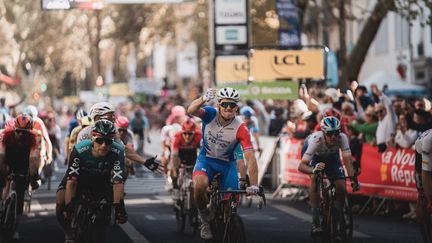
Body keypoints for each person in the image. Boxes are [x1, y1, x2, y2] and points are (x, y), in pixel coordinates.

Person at [187, 87, 260, 240]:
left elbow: (250, 157)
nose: (228, 108)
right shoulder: (210, 114)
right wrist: (202, 99)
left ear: (236, 107)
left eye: (232, 105)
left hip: (227, 164)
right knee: (199, 185)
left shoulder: (241, 127)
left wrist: (254, 184)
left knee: (230, 203)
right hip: (206, 160)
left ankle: (228, 227)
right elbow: (191, 110)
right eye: (225, 104)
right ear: (219, 104)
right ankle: (205, 220)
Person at [61, 120, 127, 243]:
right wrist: (68, 206)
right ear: (92, 139)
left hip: (102, 181)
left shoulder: (118, 151)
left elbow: (118, 183)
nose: (103, 145)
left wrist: (119, 208)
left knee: (106, 213)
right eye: (99, 141)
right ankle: (69, 232)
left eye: (108, 142)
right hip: (80, 179)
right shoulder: (80, 149)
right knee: (61, 201)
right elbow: (72, 181)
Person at [298, 116, 360, 235]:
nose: (333, 137)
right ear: (324, 133)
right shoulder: (316, 140)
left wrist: (353, 180)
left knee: (341, 186)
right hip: (315, 156)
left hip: (332, 156)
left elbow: (347, 162)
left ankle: (339, 213)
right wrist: (313, 170)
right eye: (330, 134)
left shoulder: (342, 138)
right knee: (315, 179)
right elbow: (301, 166)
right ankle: (316, 218)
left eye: (336, 133)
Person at [77, 102, 160, 172]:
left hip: (105, 165)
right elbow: (78, 156)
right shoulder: (84, 133)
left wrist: (144, 162)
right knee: (71, 182)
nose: (114, 119)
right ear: (98, 118)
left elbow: (123, 149)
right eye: (111, 116)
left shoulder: (114, 132)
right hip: (88, 164)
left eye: (114, 116)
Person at [0, 114, 40, 239]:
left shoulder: (33, 139)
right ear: (14, 130)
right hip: (7, 157)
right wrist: (3, 168)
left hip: (22, 161)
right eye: (19, 132)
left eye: (25, 133)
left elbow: (33, 160)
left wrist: (33, 178)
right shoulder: (6, 135)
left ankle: (15, 225)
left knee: (21, 193)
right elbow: (1, 156)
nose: (22, 135)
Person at [170, 118, 202, 200]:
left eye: (190, 134)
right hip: (180, 154)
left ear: (194, 133)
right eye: (185, 133)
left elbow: (203, 153)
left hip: (193, 154)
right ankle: (175, 187)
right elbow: (174, 154)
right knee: (174, 169)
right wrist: (175, 168)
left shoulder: (199, 136)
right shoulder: (178, 136)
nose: (187, 136)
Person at [414, 129, 432, 242]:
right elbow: (425, 173)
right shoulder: (429, 141)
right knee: (424, 197)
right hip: (421, 158)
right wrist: (429, 198)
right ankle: (424, 233)